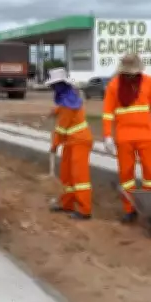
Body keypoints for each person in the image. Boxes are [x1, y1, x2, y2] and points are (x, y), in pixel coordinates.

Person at [101, 54, 151, 223]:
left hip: (146, 136)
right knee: (126, 175)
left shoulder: (149, 82)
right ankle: (130, 210)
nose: (131, 75)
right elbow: (107, 114)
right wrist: (107, 136)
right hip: (124, 138)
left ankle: (150, 209)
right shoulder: (113, 86)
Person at [45, 68, 94, 220]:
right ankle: (67, 203)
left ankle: (85, 210)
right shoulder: (68, 98)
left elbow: (61, 128)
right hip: (71, 141)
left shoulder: (68, 103)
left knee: (79, 177)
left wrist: (54, 146)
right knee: (67, 174)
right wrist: (55, 110)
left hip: (79, 141)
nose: (53, 88)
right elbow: (62, 109)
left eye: (55, 85)